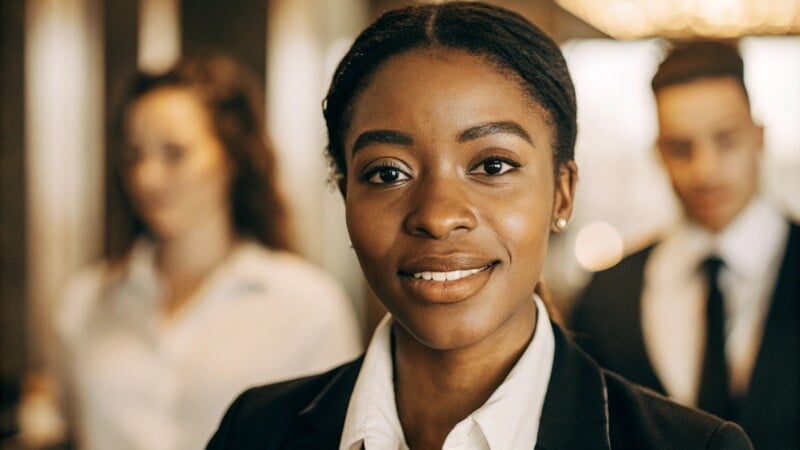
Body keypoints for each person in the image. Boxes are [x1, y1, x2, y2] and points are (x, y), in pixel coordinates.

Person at [207, 4, 753, 449]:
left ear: (562, 192)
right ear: (344, 191)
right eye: (387, 172)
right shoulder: (254, 431)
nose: (438, 215)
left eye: (492, 166)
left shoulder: (691, 445)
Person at [19, 55, 362, 450]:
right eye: (133, 154)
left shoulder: (307, 305)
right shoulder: (86, 301)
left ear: (232, 157)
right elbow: (58, 426)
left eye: (174, 153)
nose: (146, 177)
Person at [569, 41, 798, 450]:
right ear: (658, 153)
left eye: (725, 140)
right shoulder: (607, 295)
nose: (705, 170)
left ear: (759, 136)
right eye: (681, 148)